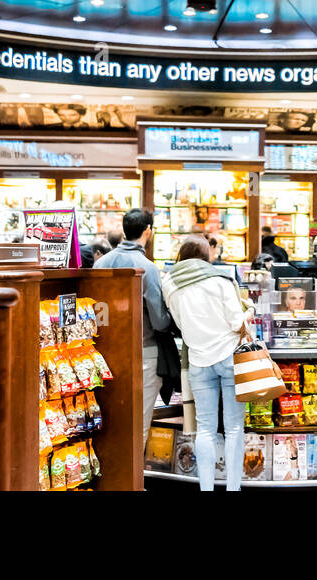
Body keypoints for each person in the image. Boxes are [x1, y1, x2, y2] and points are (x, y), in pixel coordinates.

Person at [162, 234, 249, 491]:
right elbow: (236, 323)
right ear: (205, 256)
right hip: (229, 357)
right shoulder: (220, 280)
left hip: (198, 360)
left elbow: (178, 324)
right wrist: (249, 312)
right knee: (234, 428)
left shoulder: (170, 283)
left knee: (205, 429)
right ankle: (233, 488)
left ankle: (206, 488)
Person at [94, 208, 173, 445]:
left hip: (105, 353)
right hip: (143, 354)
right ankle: (134, 479)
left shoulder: (100, 264)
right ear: (148, 231)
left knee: (110, 421)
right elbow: (159, 322)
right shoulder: (147, 267)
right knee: (137, 425)